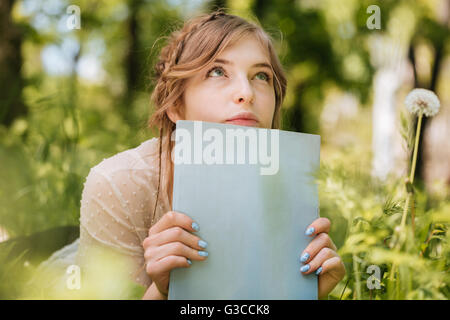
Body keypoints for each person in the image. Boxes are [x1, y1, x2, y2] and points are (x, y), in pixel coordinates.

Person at [76, 10, 346, 300]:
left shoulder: (290, 194)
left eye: (261, 75)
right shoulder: (116, 184)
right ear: (176, 106)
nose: (246, 92)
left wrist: (306, 293)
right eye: (217, 71)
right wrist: (164, 290)